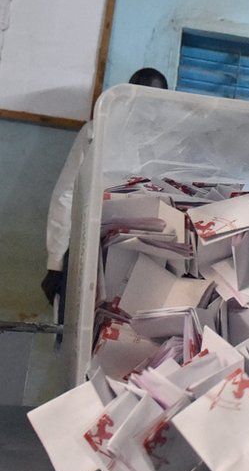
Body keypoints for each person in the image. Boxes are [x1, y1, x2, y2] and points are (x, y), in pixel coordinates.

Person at [41, 68, 169, 304]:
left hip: (146, 249)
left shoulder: (168, 144)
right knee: (78, 323)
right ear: (128, 96)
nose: (147, 106)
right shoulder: (96, 131)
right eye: (141, 95)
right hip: (90, 246)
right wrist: (56, 263)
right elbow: (67, 194)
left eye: (155, 100)